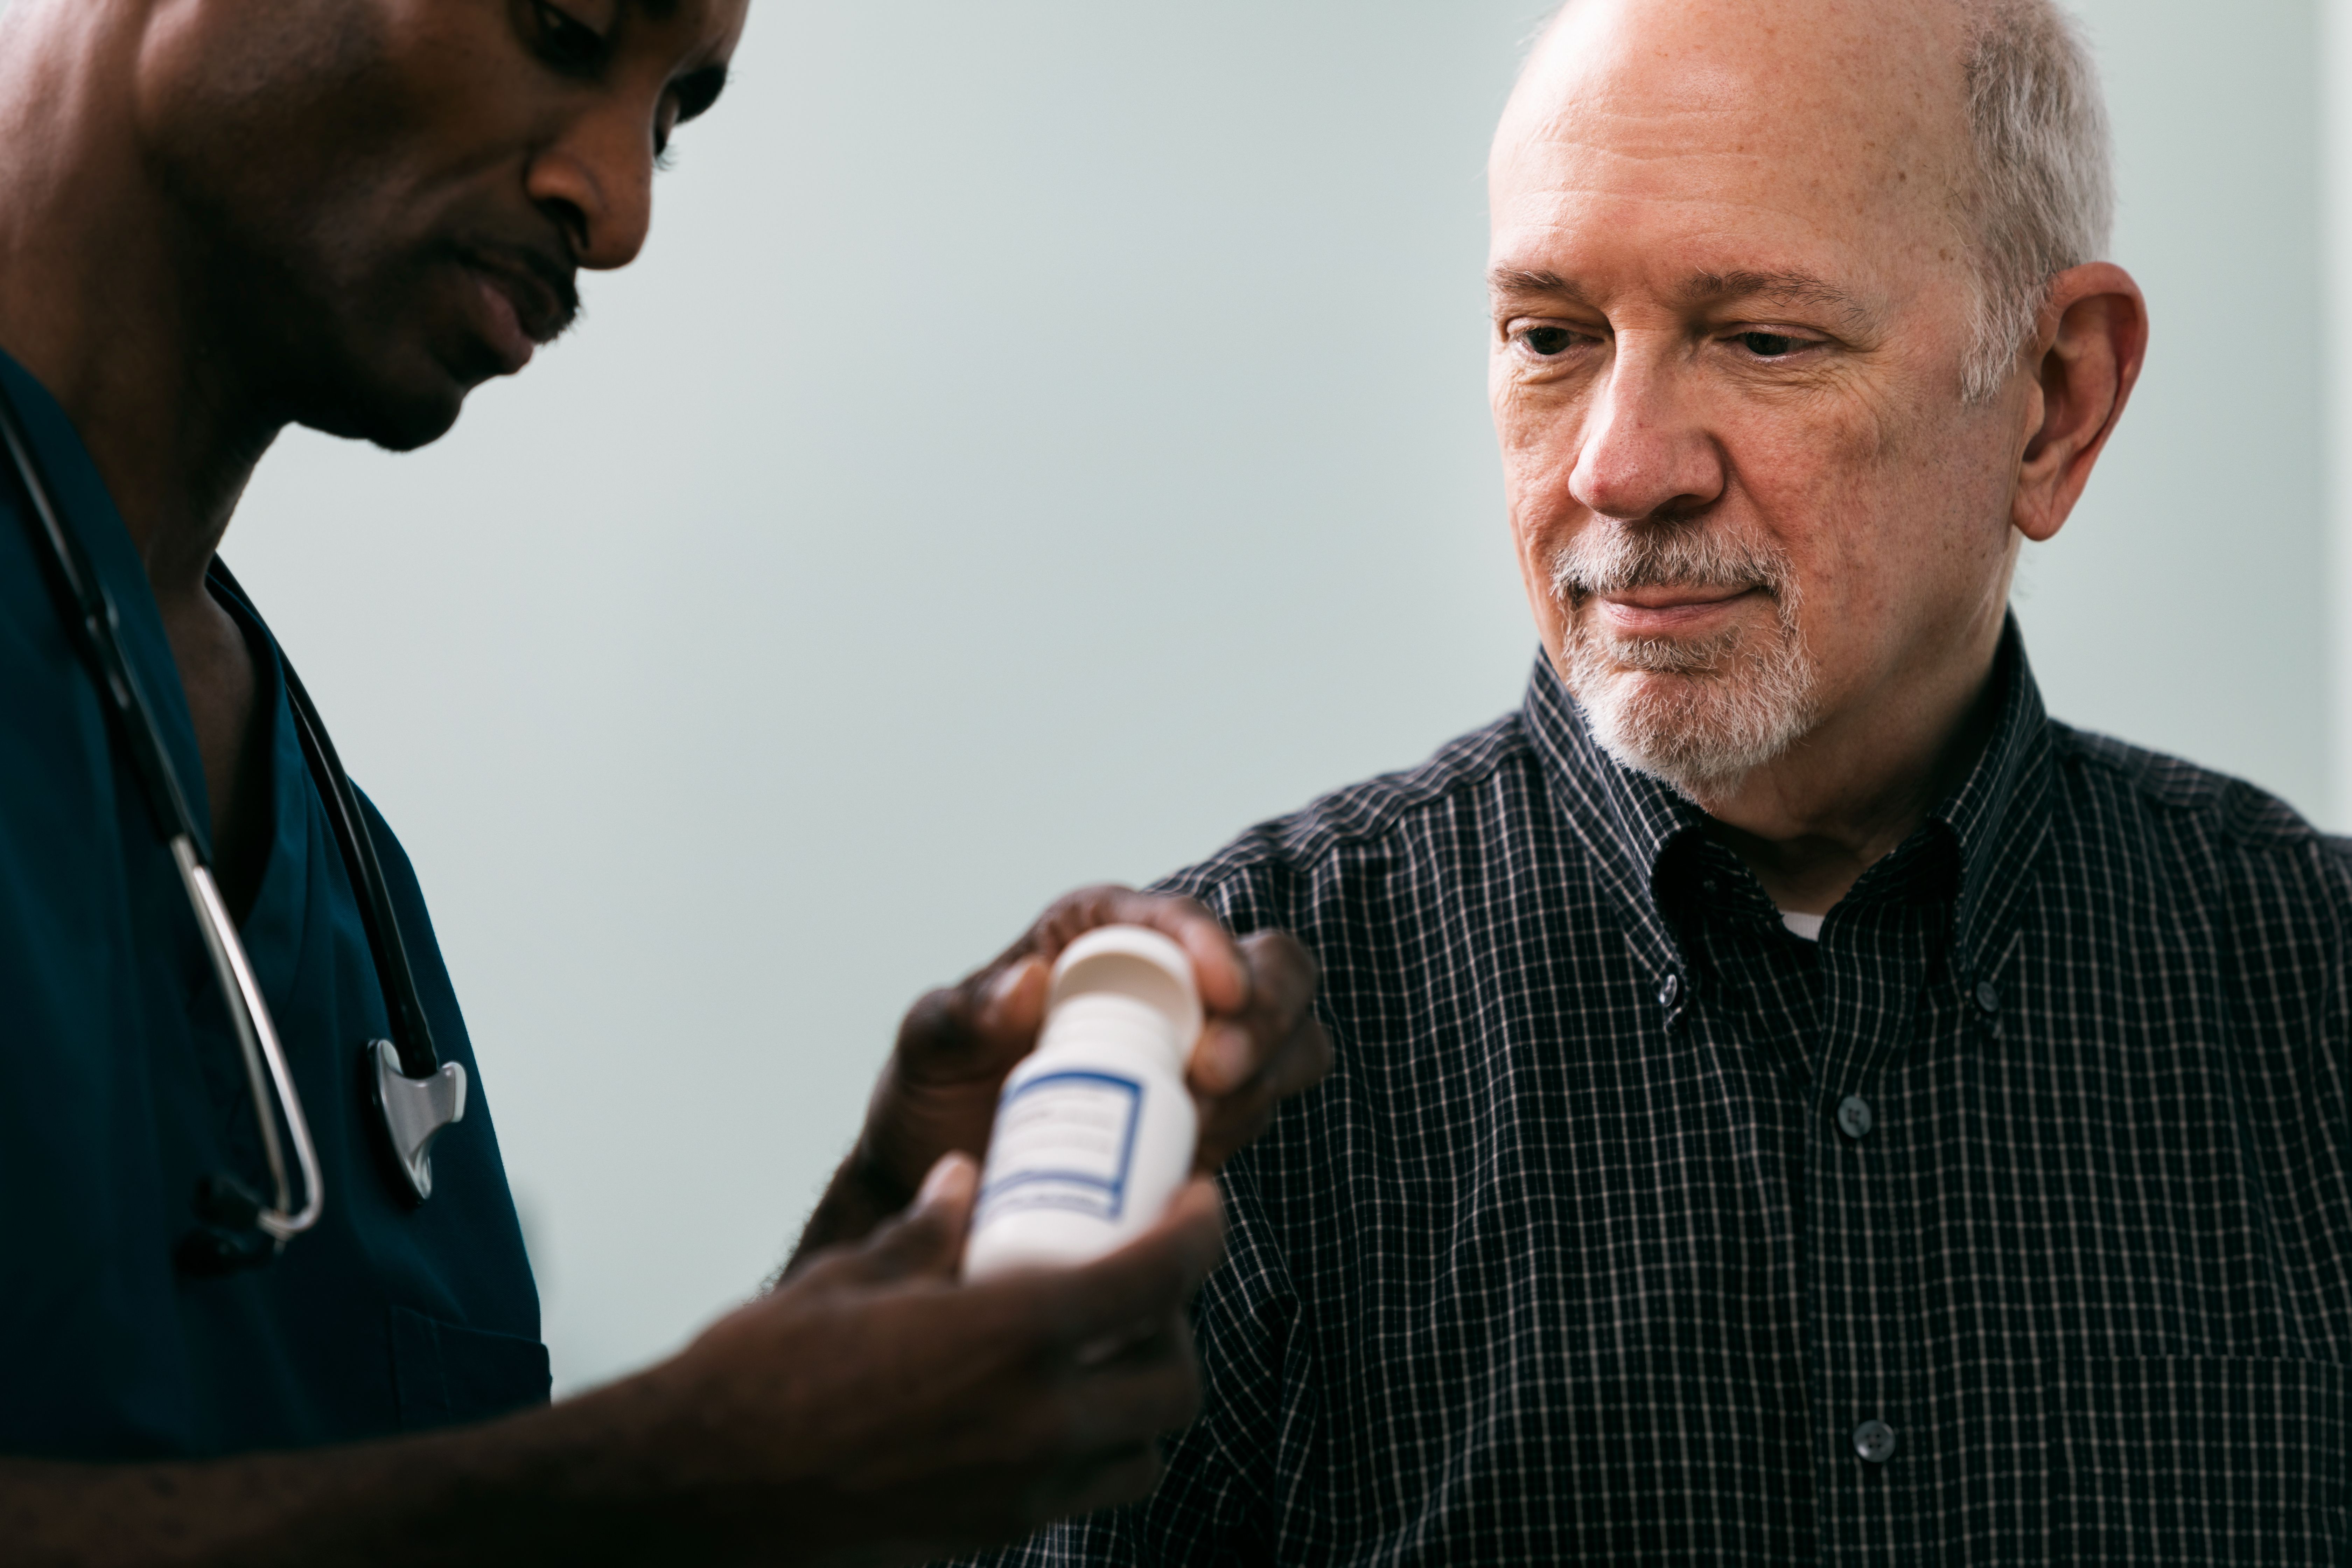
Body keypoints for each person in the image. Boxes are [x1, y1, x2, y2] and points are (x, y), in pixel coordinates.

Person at [965, 0, 2352, 1562]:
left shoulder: (2321, 1004)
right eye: (1552, 338)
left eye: (1764, 339)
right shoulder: (1207, 1066)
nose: (1617, 469)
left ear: (2056, 399)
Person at [0, 2, 1330, 1564]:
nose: (620, 213)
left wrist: (882, 1246)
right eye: (566, 27)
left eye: (672, 124)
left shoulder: (328, 868)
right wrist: (674, 1478)